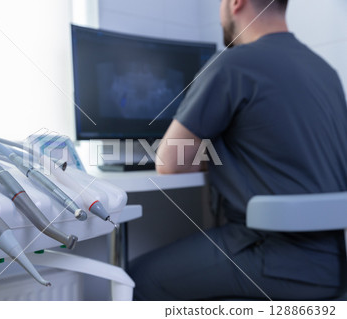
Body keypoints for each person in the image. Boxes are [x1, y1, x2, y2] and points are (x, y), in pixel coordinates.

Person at [128, 0, 347, 300]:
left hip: (274, 258)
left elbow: (169, 162)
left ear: (235, 3)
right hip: (336, 263)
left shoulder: (233, 63)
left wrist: (211, 157)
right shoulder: (327, 72)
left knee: (134, 280)